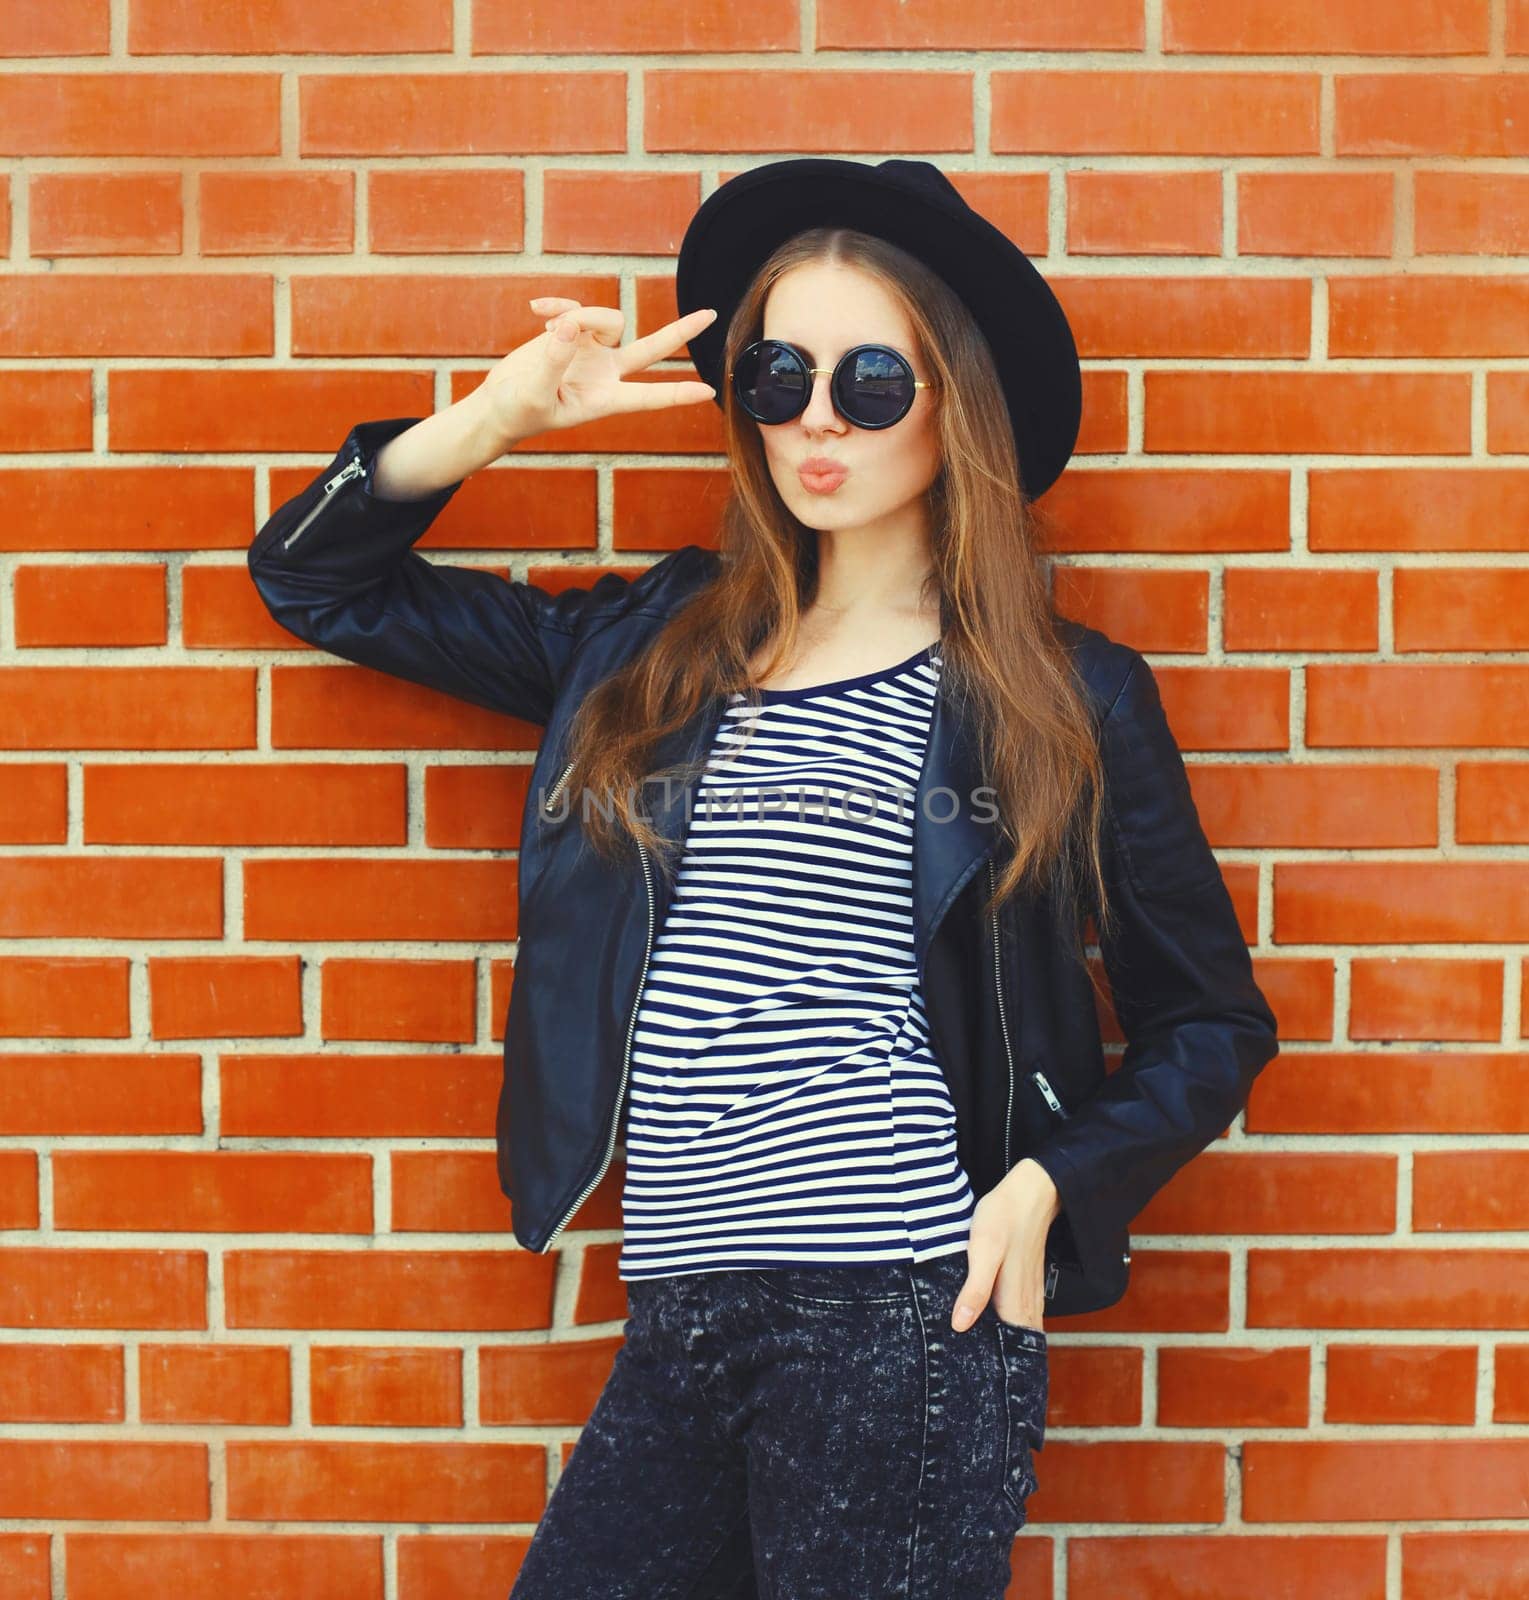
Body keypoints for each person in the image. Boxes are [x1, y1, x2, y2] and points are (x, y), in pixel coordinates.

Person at [248, 158, 1279, 1598]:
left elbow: (1211, 1021)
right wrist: (499, 417)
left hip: (907, 1309)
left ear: (953, 403)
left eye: (868, 383)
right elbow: (317, 582)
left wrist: (1047, 1186)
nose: (811, 415)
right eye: (778, 371)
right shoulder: (652, 649)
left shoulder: (1061, 698)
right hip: (679, 1306)